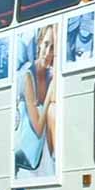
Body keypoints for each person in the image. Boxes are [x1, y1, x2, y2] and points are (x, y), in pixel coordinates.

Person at [15, 25, 57, 173]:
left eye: (53, 48)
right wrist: (49, 94)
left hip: (40, 154)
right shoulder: (28, 76)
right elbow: (38, 129)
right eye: (46, 44)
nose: (48, 52)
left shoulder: (51, 74)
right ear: (39, 42)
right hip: (26, 153)